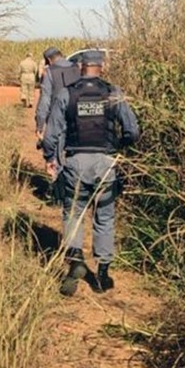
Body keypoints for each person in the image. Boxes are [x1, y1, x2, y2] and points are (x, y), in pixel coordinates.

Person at [40, 50, 140, 296]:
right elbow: (132, 130)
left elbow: (51, 134)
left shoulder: (68, 93)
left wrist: (51, 158)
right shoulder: (112, 92)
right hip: (105, 162)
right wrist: (119, 147)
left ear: (80, 66)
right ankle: (103, 273)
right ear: (102, 67)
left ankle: (76, 262)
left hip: (76, 162)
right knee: (104, 216)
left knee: (73, 212)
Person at [35, 47, 80, 139]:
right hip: (77, 118)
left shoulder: (50, 72)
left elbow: (45, 100)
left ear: (48, 60)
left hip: (56, 120)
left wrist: (40, 125)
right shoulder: (77, 68)